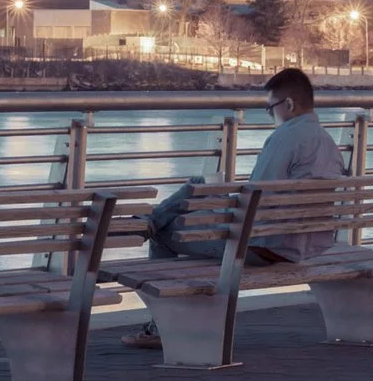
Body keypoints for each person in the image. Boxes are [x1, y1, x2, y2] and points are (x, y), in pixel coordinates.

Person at [122, 66, 346, 348]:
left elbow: (257, 199)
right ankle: (153, 220)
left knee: (166, 232)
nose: (271, 116)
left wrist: (217, 205)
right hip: (305, 244)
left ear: (288, 104)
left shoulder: (285, 138)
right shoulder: (327, 142)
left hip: (267, 245)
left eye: (270, 109)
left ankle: (164, 325)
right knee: (199, 186)